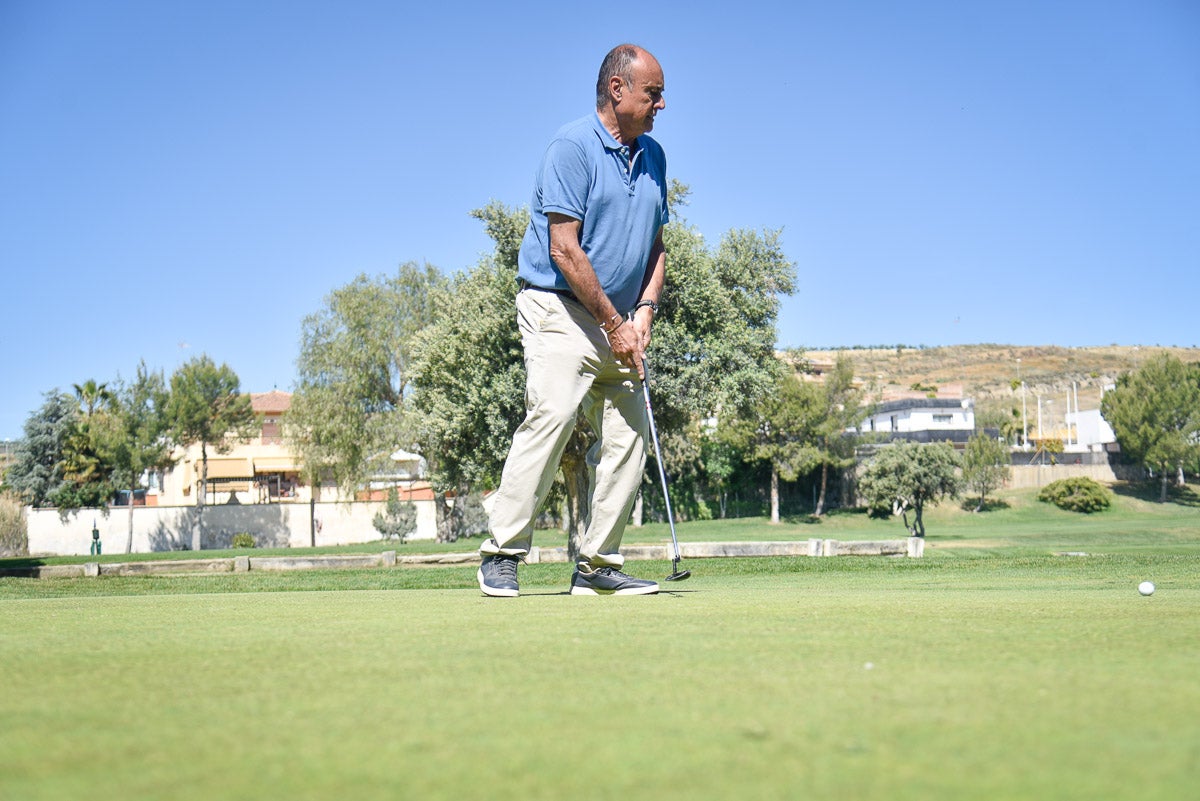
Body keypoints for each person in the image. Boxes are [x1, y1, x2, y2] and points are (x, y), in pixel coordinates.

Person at [477, 44, 668, 597]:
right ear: (617, 89)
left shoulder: (655, 156)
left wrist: (645, 311)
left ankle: (597, 565)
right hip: (558, 307)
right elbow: (564, 248)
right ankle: (502, 552)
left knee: (630, 432)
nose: (661, 104)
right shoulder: (571, 147)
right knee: (554, 413)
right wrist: (614, 323)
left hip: (620, 320)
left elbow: (657, 247)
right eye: (653, 93)